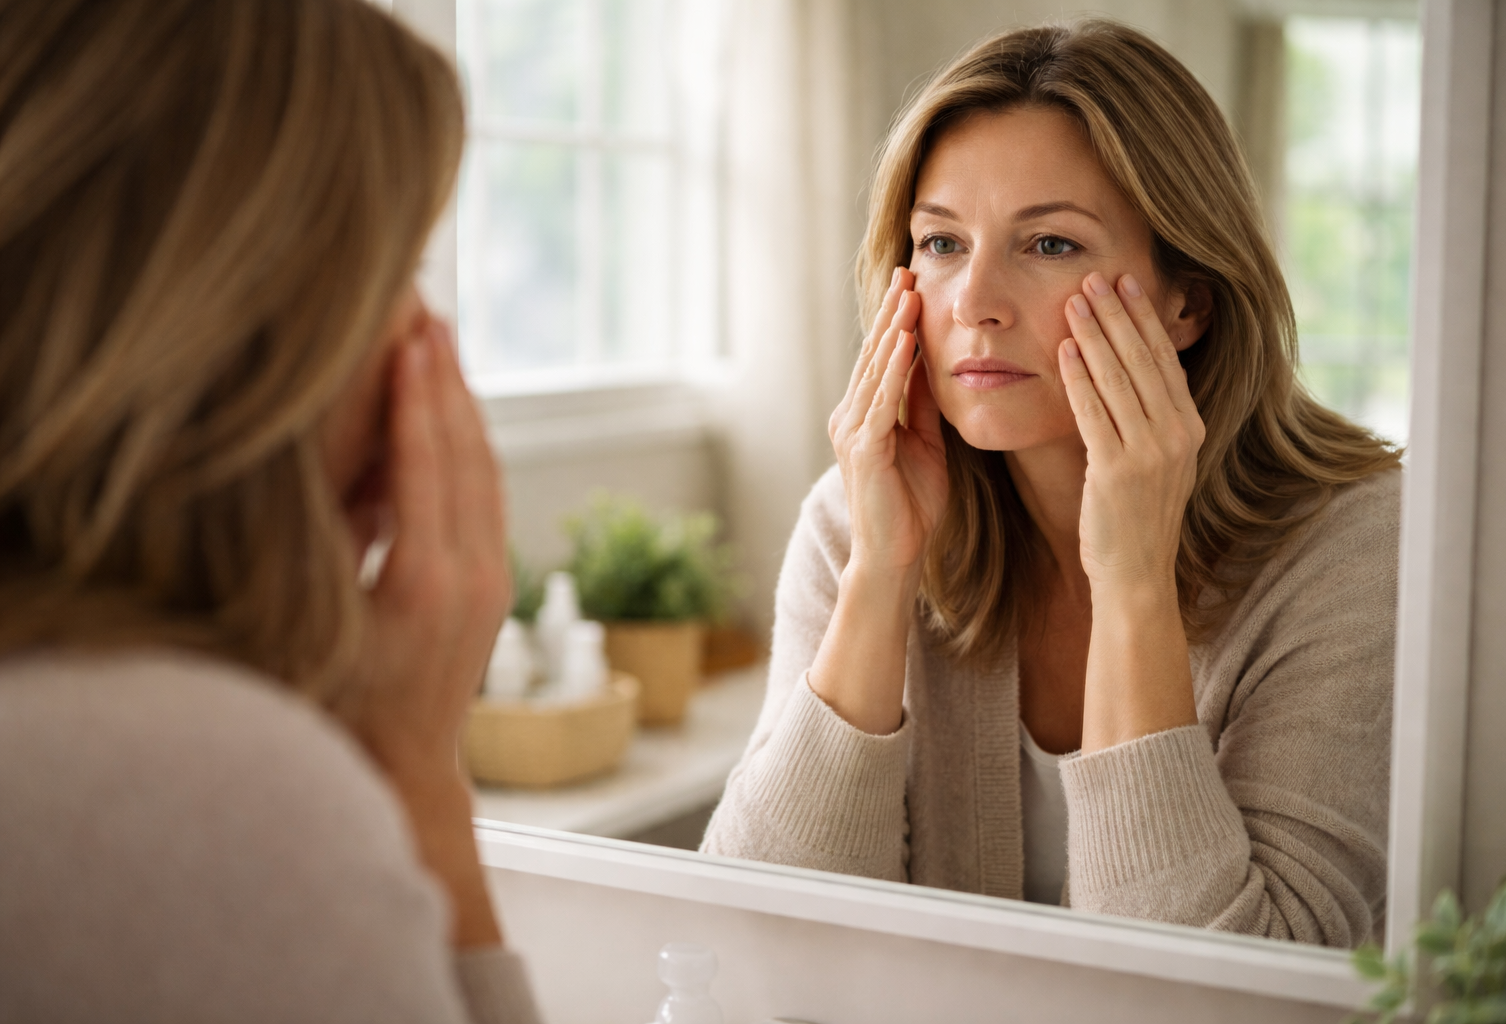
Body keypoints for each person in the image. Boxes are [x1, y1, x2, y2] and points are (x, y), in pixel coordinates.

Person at [703, 20, 1401, 948]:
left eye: (1050, 246)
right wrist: (879, 576)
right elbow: (749, 937)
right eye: (942, 244)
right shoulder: (852, 524)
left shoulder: (1355, 548)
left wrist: (1135, 585)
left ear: (1186, 301)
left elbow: (1237, 997)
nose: (974, 303)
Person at [0, 1, 542, 1020]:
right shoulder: (204, 796)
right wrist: (415, 777)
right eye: (404, 270)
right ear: (265, 329)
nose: (425, 331)